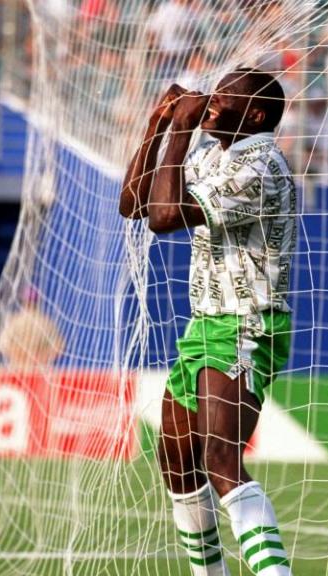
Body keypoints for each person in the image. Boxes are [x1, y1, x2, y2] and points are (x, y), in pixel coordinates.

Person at [119, 69, 296, 576]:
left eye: (225, 96)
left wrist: (181, 129)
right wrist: (158, 126)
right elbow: (134, 203)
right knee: (176, 457)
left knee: (220, 458)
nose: (212, 103)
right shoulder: (215, 155)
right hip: (204, 325)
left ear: (256, 114)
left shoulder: (261, 164)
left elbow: (166, 217)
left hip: (246, 323)